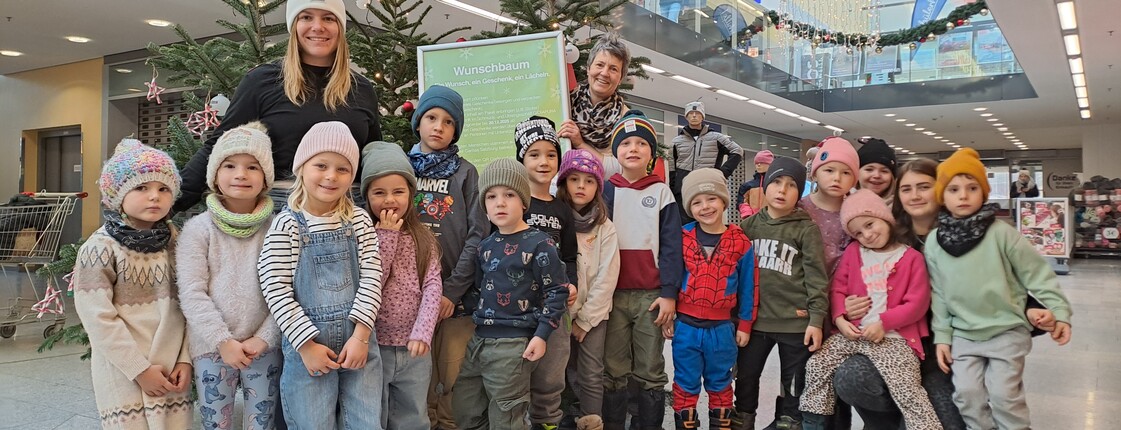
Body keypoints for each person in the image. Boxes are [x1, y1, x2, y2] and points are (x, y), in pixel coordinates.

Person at [833, 159, 1056, 430]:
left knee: (949, 417)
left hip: (947, 348)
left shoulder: (969, 233)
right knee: (851, 378)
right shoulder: (884, 235)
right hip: (893, 342)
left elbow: (1002, 278)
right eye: (906, 189)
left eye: (924, 186)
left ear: (940, 189)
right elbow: (855, 277)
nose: (915, 195)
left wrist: (1030, 307)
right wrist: (846, 306)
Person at [174, 0, 381, 212]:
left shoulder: (362, 89)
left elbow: (375, 156)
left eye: (328, 18)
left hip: (349, 213)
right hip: (276, 213)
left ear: (340, 26)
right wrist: (170, 203)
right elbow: (220, 146)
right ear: (294, 25)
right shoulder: (263, 81)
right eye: (306, 17)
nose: (318, 27)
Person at [927, 148, 1073, 430]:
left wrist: (1059, 310)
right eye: (954, 189)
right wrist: (942, 336)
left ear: (983, 193)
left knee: (1005, 396)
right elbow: (940, 293)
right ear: (942, 196)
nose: (963, 195)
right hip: (963, 334)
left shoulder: (1002, 233)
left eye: (972, 188)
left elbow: (1037, 273)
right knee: (967, 394)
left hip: (1007, 329)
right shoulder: (935, 242)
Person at [257, 121, 384, 428]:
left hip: (359, 342)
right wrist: (305, 345)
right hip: (308, 348)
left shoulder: (359, 220)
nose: (331, 176)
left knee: (366, 422)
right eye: (321, 165)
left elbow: (372, 276)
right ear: (302, 168)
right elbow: (275, 286)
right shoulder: (286, 224)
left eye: (343, 169)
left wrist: (361, 336)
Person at [73, 139, 193, 428]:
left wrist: (186, 359)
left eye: (163, 189)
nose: (154, 197)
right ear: (118, 195)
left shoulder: (177, 243)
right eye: (141, 188)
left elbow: (192, 303)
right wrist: (139, 370)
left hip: (172, 368)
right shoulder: (100, 248)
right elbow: (97, 317)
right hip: (123, 371)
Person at [799, 190, 941, 430]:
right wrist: (840, 319)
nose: (867, 235)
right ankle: (814, 423)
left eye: (870, 224)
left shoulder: (911, 258)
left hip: (894, 340)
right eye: (858, 233)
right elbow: (838, 289)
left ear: (884, 218)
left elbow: (917, 304)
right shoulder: (854, 252)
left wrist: (884, 323)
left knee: (907, 390)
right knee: (817, 366)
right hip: (852, 334)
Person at [451, 158, 570, 430]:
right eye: (491, 196)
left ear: (524, 202)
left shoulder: (541, 244)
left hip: (514, 344)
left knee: (506, 417)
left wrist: (541, 335)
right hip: (479, 341)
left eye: (509, 195)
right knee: (465, 409)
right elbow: (480, 291)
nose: (500, 203)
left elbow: (557, 292)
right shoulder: (485, 246)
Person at [177, 123, 281, 429]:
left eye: (252, 167)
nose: (241, 174)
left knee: (261, 422)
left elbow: (288, 289)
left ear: (266, 177)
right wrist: (222, 341)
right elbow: (192, 292)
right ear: (214, 175)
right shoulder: (198, 229)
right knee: (215, 422)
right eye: (230, 165)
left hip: (264, 346)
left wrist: (265, 337)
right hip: (212, 346)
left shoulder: (279, 227)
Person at [406, 85, 489, 430]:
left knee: (453, 376)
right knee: (417, 377)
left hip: (455, 297)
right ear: (418, 122)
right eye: (431, 117)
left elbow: (478, 235)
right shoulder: (402, 169)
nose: (438, 126)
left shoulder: (467, 173)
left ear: (457, 129)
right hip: (409, 295)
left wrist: (452, 291)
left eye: (449, 121)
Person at [600, 110, 683, 429]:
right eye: (625, 143)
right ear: (616, 152)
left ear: (651, 153)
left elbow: (672, 247)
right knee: (614, 366)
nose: (633, 148)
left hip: (651, 296)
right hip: (613, 296)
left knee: (650, 366)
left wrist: (669, 293)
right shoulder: (606, 191)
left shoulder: (661, 192)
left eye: (641, 143)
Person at [734, 156, 828, 430]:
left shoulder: (806, 228)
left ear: (800, 193)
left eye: (791, 185)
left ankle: (787, 421)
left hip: (795, 323)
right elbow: (735, 274)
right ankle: (743, 420)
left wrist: (816, 320)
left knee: (794, 384)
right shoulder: (748, 227)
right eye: (777, 182)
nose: (782, 190)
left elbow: (816, 278)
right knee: (746, 378)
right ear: (766, 185)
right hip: (754, 323)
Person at [359, 142, 442, 430]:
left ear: (410, 194)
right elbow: (372, 281)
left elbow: (433, 286)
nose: (389, 200)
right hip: (375, 347)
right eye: (379, 193)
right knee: (375, 414)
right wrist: (386, 237)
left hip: (414, 348)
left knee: (413, 415)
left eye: (398, 191)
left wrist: (423, 331)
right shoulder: (364, 235)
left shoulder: (423, 238)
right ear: (367, 196)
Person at [672, 168, 758, 429]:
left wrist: (745, 324)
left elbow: (749, 287)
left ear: (723, 201)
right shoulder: (681, 237)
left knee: (721, 383)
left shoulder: (740, 242)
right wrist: (668, 315)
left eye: (711, 199)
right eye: (696, 202)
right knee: (684, 382)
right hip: (685, 327)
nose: (705, 207)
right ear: (689, 207)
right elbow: (671, 277)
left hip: (722, 329)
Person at [510, 116, 582, 429]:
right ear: (521, 159)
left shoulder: (562, 209)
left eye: (551, 154)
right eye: (534, 154)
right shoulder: (513, 203)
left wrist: (572, 284)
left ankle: (548, 422)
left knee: (550, 380)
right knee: (515, 380)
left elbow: (569, 256)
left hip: (554, 309)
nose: (544, 162)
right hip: (516, 309)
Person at [556, 149, 621, 429]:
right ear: (564, 182)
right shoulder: (554, 218)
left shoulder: (605, 227)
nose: (581, 186)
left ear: (598, 187)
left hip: (593, 316)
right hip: (557, 313)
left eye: (589, 180)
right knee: (557, 371)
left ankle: (592, 421)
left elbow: (607, 276)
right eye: (574, 179)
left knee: (591, 372)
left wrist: (585, 320)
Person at [558, 34, 631, 178]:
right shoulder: (565, 103)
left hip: (601, 190)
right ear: (588, 68)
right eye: (600, 65)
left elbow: (618, 170)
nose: (604, 73)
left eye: (613, 69)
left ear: (620, 78)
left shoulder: (625, 118)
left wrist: (580, 143)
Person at [670, 101, 744, 221]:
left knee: (707, 220)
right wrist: (673, 189)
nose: (694, 116)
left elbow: (737, 150)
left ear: (703, 116)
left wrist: (723, 173)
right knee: (684, 225)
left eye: (698, 113)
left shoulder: (716, 137)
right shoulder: (677, 141)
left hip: (707, 185)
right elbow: (672, 167)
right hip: (683, 188)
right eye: (691, 113)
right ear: (686, 117)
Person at [800, 136, 859, 275]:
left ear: (854, 180)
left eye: (846, 173)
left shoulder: (855, 214)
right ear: (815, 175)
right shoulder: (799, 209)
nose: (837, 178)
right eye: (829, 170)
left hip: (842, 286)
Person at [855, 138, 897, 207]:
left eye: (884, 171)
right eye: (869, 169)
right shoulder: (842, 204)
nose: (877, 175)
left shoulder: (903, 208)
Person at [738, 150, 773, 218]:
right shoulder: (747, 186)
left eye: (762, 162)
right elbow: (741, 202)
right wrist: (748, 215)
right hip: (752, 221)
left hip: (771, 220)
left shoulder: (774, 184)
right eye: (757, 163)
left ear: (769, 164)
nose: (758, 165)